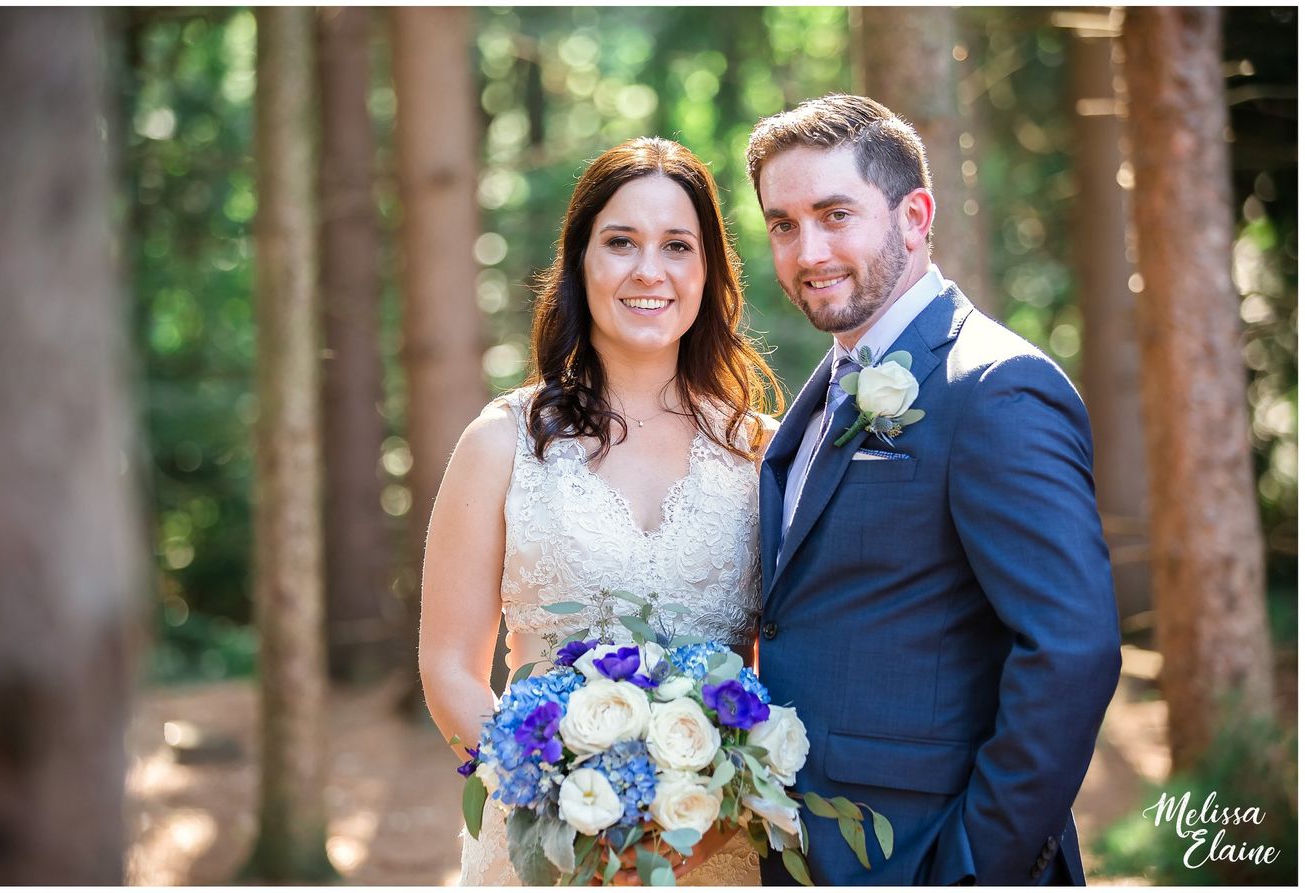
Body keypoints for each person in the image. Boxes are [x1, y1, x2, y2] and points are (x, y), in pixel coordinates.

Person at [746, 94, 1121, 885]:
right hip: (808, 850)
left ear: (914, 216)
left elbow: (1070, 651)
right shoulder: (817, 399)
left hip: (926, 853)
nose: (807, 249)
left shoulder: (997, 387)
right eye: (783, 224)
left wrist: (973, 868)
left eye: (835, 214)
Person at [420, 136, 781, 886]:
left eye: (677, 245)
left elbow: (782, 666)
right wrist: (564, 802)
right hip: (544, 849)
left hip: (714, 847)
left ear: (708, 270)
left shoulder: (760, 455)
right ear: (581, 263)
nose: (649, 270)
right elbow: (449, 663)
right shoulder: (503, 443)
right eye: (621, 242)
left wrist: (705, 806)